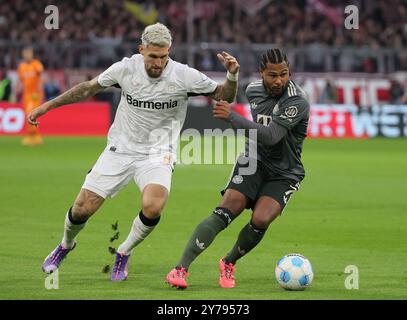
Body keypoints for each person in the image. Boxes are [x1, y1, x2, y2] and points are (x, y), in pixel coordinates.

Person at [27, 23, 240, 282]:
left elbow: (224, 96)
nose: (158, 63)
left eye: (164, 57)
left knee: (153, 206)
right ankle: (65, 245)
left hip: (158, 152)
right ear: (141, 50)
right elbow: (86, 89)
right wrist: (45, 107)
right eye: (153, 56)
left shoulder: (184, 75)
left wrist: (231, 77)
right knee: (82, 208)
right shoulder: (125, 69)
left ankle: (124, 252)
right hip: (120, 149)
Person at [166, 48, 310, 289]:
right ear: (261, 73)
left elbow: (272, 135)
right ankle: (180, 269)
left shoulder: (297, 101)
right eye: (272, 75)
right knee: (226, 209)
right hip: (253, 160)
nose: (279, 80)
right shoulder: (252, 90)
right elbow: (227, 96)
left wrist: (232, 118)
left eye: (284, 74)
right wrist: (231, 74)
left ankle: (229, 262)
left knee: (261, 219)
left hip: (285, 171)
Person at [18, 46, 45, 146]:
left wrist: (39, 91)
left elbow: (41, 78)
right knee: (28, 115)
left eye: (29, 53)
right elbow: (21, 81)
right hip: (26, 95)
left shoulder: (36, 64)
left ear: (32, 54)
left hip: (35, 94)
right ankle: (32, 136)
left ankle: (35, 136)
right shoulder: (21, 67)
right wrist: (16, 93)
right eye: (25, 54)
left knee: (32, 114)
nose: (27, 56)